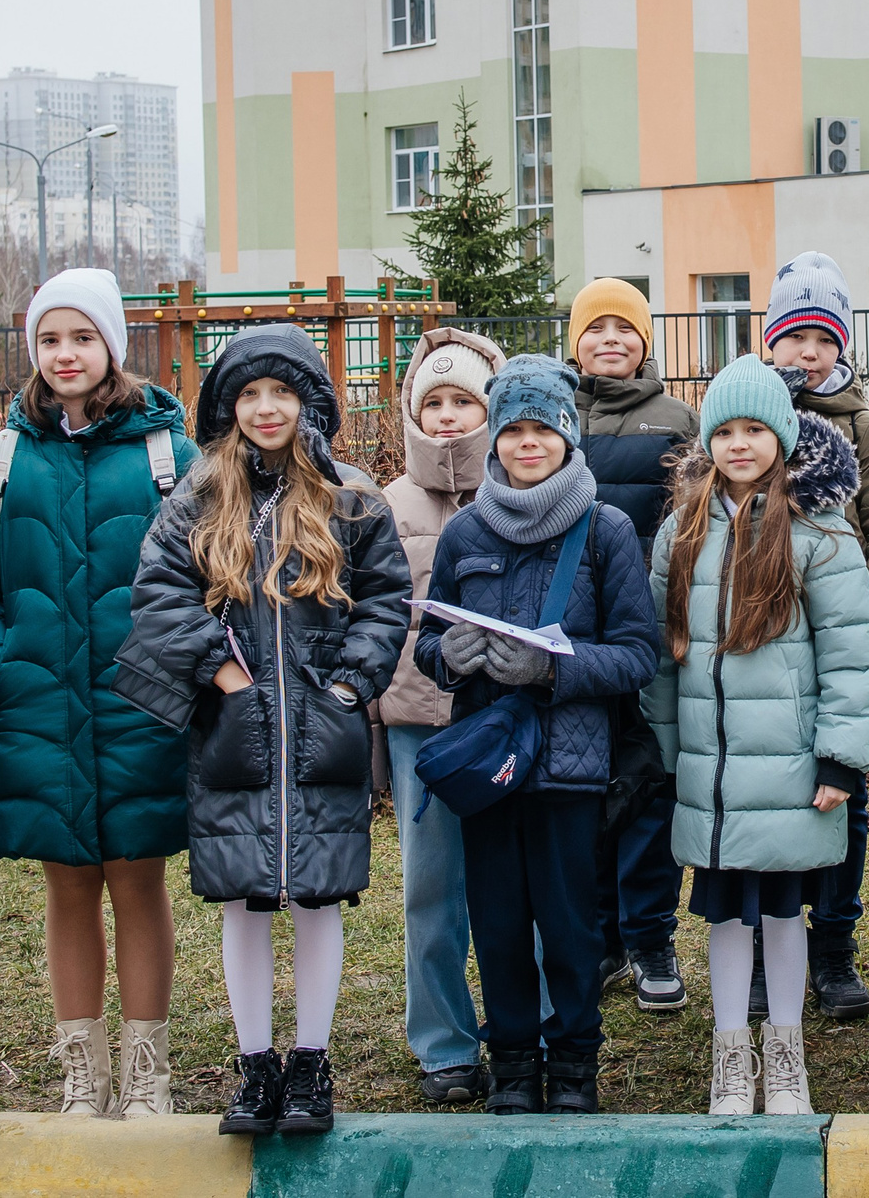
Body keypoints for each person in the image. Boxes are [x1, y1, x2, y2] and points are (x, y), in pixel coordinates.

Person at [113, 325, 412, 1138]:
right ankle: (255, 1064)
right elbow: (160, 596)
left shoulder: (352, 496)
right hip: (233, 727)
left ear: (309, 401)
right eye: (250, 393)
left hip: (325, 724)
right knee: (244, 895)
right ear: (229, 407)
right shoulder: (199, 499)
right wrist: (226, 673)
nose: (267, 407)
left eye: (282, 391)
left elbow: (386, 598)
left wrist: (351, 684)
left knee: (319, 893)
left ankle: (311, 1060)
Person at [0, 269, 198, 1118]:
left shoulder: (169, 457)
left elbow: (208, 575)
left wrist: (178, 676)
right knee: (66, 888)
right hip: (41, 705)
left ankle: (148, 1073)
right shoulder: (0, 460)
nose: (66, 353)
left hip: (139, 707)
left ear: (113, 346)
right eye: (50, 338)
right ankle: (80, 1070)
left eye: (82, 336)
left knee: (138, 881)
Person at [416, 355, 661, 1116]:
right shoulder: (464, 531)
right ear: (495, 440)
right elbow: (431, 638)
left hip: (570, 765)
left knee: (567, 922)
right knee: (495, 922)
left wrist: (553, 671)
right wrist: (446, 657)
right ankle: (515, 1064)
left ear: (568, 432)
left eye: (542, 428)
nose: (528, 444)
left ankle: (575, 1065)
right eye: (513, 429)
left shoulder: (606, 529)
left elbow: (637, 651)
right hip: (490, 764)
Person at [645, 355, 869, 1114]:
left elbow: (853, 649)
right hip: (712, 769)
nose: (740, 443)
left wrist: (842, 756)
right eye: (725, 429)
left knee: (784, 909)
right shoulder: (681, 530)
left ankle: (785, 1055)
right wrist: (664, 749)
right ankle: (730, 1052)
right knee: (722, 912)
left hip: (788, 768)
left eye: (755, 428)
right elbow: (658, 652)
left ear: (781, 436)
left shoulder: (820, 528)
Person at [761, 250, 869, 1019]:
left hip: (839, 641)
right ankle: (759, 944)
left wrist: (866, 615)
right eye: (793, 337)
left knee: (840, 793)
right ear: (771, 342)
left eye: (822, 338)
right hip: (760, 643)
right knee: (764, 792)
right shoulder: (749, 414)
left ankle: (834, 947)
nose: (808, 354)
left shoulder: (866, 427)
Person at [376, 326, 508, 1104]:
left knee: (512, 882)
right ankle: (444, 1044)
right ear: (413, 411)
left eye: (465, 400)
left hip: (504, 720)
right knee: (431, 888)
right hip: (417, 725)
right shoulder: (385, 503)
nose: (451, 415)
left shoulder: (515, 493)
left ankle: (524, 1027)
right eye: (436, 400)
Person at [567, 277, 701, 1016]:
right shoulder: (558, 409)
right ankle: (600, 938)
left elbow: (691, 525)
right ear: (576, 340)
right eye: (597, 327)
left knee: (650, 784)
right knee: (585, 788)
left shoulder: (674, 417)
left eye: (626, 328)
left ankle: (652, 936)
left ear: (645, 342)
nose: (611, 339)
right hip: (572, 634)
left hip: (646, 625)